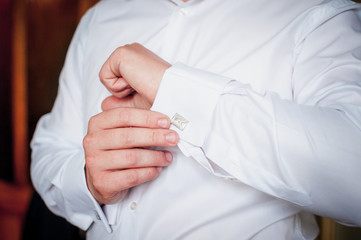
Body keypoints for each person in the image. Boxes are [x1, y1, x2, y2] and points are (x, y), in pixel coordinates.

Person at [30, 0, 361, 239]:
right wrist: (87, 181)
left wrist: (172, 88)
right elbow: (50, 148)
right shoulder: (99, 19)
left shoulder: (317, 14)